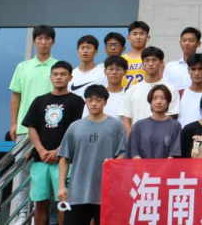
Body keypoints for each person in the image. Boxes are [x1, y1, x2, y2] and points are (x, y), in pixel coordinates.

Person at [22, 60, 84, 225]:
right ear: (50, 77)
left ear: (70, 77)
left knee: (64, 202)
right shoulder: (39, 101)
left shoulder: (77, 101)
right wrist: (41, 150)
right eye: (55, 74)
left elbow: (76, 130)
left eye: (63, 74)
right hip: (40, 159)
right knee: (40, 202)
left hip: (65, 159)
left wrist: (59, 150)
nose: (58, 77)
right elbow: (31, 127)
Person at [56, 85, 126, 225]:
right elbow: (64, 157)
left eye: (98, 100)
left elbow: (123, 153)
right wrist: (62, 185)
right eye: (90, 100)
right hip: (77, 192)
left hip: (107, 193)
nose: (94, 104)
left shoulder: (116, 126)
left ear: (105, 102)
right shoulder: (75, 127)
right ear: (86, 102)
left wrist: (113, 163)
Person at [9, 24, 57, 142]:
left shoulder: (59, 67)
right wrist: (14, 124)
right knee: (23, 156)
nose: (43, 42)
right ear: (34, 42)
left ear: (53, 42)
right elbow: (16, 96)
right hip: (24, 127)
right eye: (39, 38)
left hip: (52, 126)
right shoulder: (22, 67)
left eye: (47, 38)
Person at [117, 46, 179, 134]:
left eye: (154, 60)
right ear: (142, 64)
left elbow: (171, 117)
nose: (150, 64)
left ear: (161, 63)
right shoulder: (131, 90)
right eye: (147, 60)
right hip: (136, 140)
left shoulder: (171, 89)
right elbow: (126, 120)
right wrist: (133, 140)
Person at [127, 85, 181, 159]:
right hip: (141, 166)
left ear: (168, 102)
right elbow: (133, 153)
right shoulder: (138, 126)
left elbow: (174, 154)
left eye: (163, 98)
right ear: (150, 102)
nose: (158, 101)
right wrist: (144, 166)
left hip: (167, 166)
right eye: (155, 98)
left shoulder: (175, 126)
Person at [164, 27, 202, 92]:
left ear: (198, 44)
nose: (187, 43)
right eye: (184, 40)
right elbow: (164, 90)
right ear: (180, 43)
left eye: (191, 40)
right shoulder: (170, 66)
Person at [178, 53, 202, 126]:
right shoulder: (179, 94)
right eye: (193, 69)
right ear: (188, 70)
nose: (197, 73)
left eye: (200, 69)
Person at [122, 20, 151, 89]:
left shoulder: (152, 59)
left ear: (148, 37)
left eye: (142, 34)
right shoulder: (121, 59)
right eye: (134, 34)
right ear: (128, 38)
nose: (138, 37)